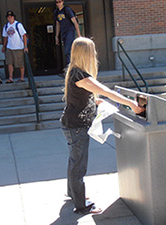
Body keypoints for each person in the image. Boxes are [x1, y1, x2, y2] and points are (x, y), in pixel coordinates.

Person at [61, 37, 145, 214]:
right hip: (76, 126)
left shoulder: (75, 71)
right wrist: (131, 105)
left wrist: (95, 101)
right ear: (86, 54)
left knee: (74, 161)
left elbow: (83, 95)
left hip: (72, 124)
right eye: (92, 51)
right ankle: (81, 206)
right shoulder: (81, 75)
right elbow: (107, 91)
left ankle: (73, 193)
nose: (95, 54)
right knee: (79, 165)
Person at [2, 10, 28, 83]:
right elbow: (5, 37)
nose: (10, 18)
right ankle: (10, 78)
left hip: (18, 47)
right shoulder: (6, 26)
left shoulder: (18, 25)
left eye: (11, 17)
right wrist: (4, 46)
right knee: (9, 63)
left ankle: (22, 77)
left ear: (13, 17)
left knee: (20, 63)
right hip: (9, 47)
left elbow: (24, 35)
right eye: (8, 17)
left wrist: (25, 46)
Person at [54, 0, 81, 69]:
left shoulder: (67, 10)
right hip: (63, 33)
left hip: (70, 32)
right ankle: (72, 68)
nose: (58, 4)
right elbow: (58, 25)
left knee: (67, 51)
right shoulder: (56, 12)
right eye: (56, 2)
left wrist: (79, 34)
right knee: (68, 51)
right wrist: (56, 36)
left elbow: (74, 21)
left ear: (63, 2)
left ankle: (71, 69)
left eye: (59, 2)